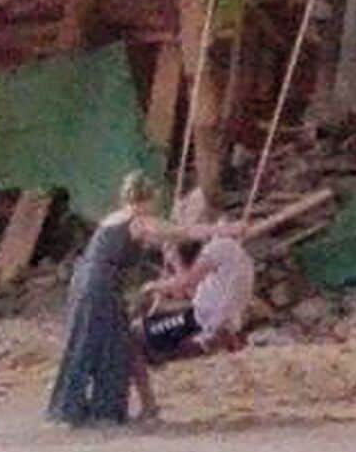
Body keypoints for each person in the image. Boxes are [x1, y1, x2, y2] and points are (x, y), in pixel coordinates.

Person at [47, 172, 227, 427]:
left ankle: (98, 409)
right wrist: (223, 230)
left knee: (110, 343)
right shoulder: (138, 221)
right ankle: (83, 410)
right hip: (99, 285)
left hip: (90, 282)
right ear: (148, 198)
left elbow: (165, 242)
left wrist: (177, 269)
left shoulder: (117, 218)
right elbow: (182, 232)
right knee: (97, 342)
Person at [141, 187, 259, 365]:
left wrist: (154, 286)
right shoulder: (238, 254)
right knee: (154, 325)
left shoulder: (219, 248)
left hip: (205, 320)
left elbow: (185, 282)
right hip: (211, 316)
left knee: (142, 334)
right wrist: (175, 261)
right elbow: (190, 289)